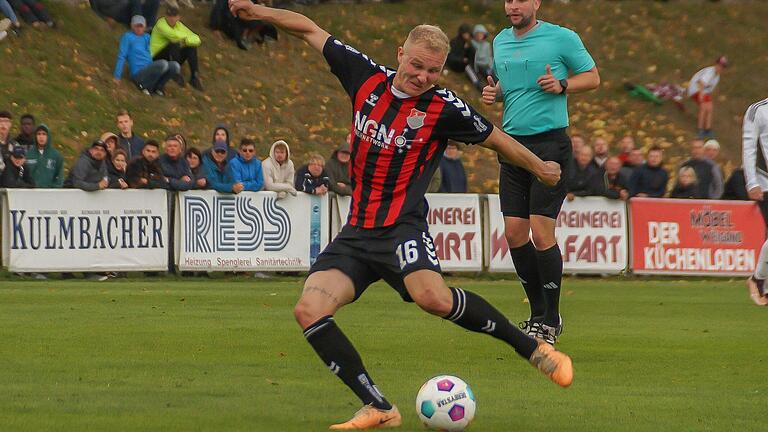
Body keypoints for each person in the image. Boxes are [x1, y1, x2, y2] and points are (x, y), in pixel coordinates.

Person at [229, 3, 571, 429]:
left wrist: (540, 167)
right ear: (400, 54)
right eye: (417, 65)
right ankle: (378, 406)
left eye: (433, 70)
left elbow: (497, 139)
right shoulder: (364, 76)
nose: (423, 76)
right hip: (357, 232)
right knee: (308, 309)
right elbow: (309, 29)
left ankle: (533, 349)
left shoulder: (444, 107)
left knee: (434, 299)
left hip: (402, 227)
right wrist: (257, 9)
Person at [481, 0, 600, 344]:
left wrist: (563, 85)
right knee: (515, 233)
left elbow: (592, 78)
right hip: (512, 146)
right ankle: (537, 315)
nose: (513, 6)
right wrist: (495, 92)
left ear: (536, 3)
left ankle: (550, 319)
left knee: (540, 231)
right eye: (508, 1)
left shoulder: (561, 38)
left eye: (520, 0)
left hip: (550, 146)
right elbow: (510, 84)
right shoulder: (501, 40)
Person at [114, 15, 181, 96]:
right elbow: (121, 56)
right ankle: (143, 85)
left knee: (175, 66)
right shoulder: (127, 37)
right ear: (132, 26)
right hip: (138, 72)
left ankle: (157, 87)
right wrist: (117, 76)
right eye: (136, 26)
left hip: (149, 68)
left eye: (141, 26)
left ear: (144, 27)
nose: (139, 28)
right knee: (163, 64)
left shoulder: (147, 37)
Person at [743, 97, 768, 306]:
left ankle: (759, 280)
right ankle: (758, 280)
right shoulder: (758, 110)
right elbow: (748, 147)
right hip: (765, 182)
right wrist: (752, 182)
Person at [150, 6, 204, 91]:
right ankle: (175, 73)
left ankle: (195, 77)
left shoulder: (179, 25)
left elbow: (196, 38)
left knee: (191, 48)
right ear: (165, 16)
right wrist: (186, 38)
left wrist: (185, 39)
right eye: (169, 16)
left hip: (171, 56)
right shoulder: (161, 24)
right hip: (156, 57)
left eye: (174, 16)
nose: (171, 18)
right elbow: (173, 37)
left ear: (178, 17)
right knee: (174, 44)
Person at [210, 0, 277, 50]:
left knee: (260, 17)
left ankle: (250, 37)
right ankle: (245, 37)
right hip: (229, 20)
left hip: (240, 20)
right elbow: (219, 7)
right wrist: (215, 28)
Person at [687, 56, 728, 138]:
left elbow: (709, 89)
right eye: (719, 66)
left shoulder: (717, 76)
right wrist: (701, 95)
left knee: (709, 107)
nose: (720, 68)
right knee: (704, 107)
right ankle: (700, 129)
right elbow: (701, 83)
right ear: (716, 64)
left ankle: (707, 129)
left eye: (722, 67)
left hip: (704, 91)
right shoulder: (710, 72)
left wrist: (706, 96)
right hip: (695, 89)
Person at [25, 124, 64, 188]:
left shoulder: (56, 156)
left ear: (48, 136)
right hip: (32, 193)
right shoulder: (28, 155)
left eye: (44, 134)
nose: (41, 137)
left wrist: (54, 189)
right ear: (35, 136)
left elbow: (60, 178)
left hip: (49, 194)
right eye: (39, 134)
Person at [446, 24, 478, 88]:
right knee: (468, 67)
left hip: (464, 63)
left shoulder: (467, 42)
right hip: (455, 64)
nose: (467, 35)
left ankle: (474, 71)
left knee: (472, 50)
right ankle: (477, 83)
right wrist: (462, 59)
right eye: (466, 33)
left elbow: (472, 54)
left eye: (468, 34)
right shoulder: (455, 42)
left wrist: (467, 47)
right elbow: (451, 57)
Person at [89, 0, 160, 29]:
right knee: (135, 1)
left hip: (129, 7)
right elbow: (94, 9)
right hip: (119, 13)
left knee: (155, 1)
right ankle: (138, 26)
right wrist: (106, 18)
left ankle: (150, 28)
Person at [471, 24, 492, 89]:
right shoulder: (472, 43)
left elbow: (489, 57)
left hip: (487, 65)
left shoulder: (487, 45)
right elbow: (474, 58)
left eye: (481, 34)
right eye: (478, 34)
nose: (479, 36)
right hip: (479, 65)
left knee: (493, 73)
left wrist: (491, 67)